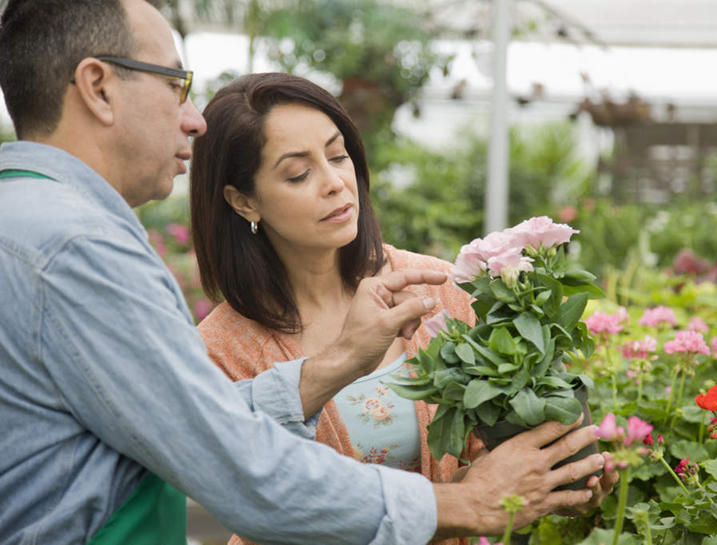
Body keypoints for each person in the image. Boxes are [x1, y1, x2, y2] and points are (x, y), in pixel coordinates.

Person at [0, 1, 614, 544]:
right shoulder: (77, 249)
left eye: (339, 155)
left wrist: (550, 465)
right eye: (176, 84)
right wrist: (462, 503)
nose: (193, 119)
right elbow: (235, 464)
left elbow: (190, 427)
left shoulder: (27, 223)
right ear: (98, 86)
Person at [190, 72, 616, 545]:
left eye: (337, 155)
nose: (334, 183)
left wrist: (560, 476)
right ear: (244, 201)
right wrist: (463, 503)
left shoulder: (433, 287)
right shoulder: (221, 351)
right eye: (299, 173)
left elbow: (489, 465)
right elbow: (280, 515)